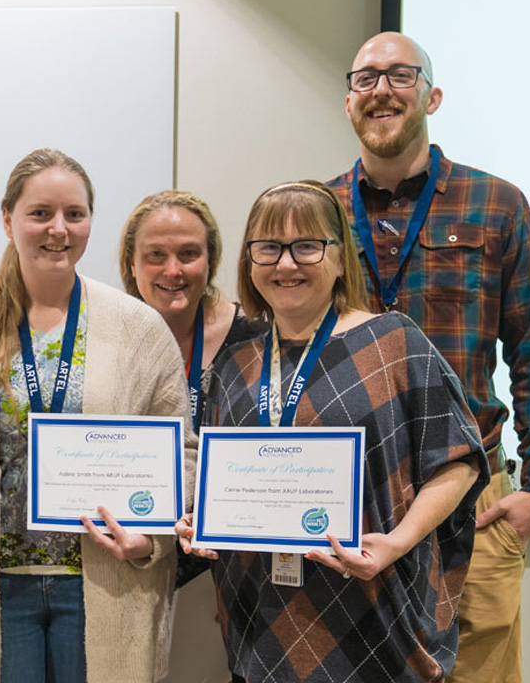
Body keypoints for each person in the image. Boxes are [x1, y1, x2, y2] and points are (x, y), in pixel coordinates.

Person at [327, 32, 530, 683]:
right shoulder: (317, 213)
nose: (380, 89)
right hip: (351, 504)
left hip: (471, 498)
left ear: (432, 96)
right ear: (348, 103)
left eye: (400, 76)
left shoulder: (497, 206)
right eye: (364, 79)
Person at [177, 181, 488, 682]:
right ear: (249, 261)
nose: (285, 264)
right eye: (268, 248)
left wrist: (398, 542)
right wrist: (201, 520)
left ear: (340, 259)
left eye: (307, 246)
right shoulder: (236, 362)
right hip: (260, 622)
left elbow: (458, 462)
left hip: (372, 615)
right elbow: (223, 479)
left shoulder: (393, 342)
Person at [0, 148, 195, 683]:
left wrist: (153, 538)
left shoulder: (139, 329)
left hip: (103, 581)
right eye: (40, 213)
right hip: (0, 584)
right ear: (8, 220)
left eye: (74, 214)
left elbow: (181, 451)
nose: (58, 230)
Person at [119, 189, 265, 587]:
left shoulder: (256, 336)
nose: (173, 270)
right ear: (131, 264)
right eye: (155, 256)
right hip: (137, 557)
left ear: (211, 261)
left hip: (234, 561)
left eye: (188, 254)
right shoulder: (107, 339)